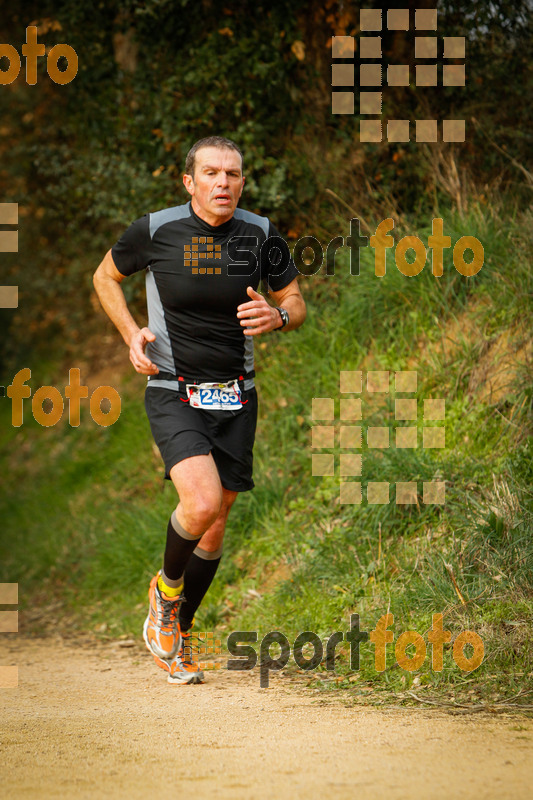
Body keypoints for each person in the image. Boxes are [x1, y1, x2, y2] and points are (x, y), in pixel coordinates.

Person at [93, 136, 306, 684]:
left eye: (233, 174)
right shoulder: (156, 230)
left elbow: (295, 301)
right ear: (189, 182)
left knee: (217, 522)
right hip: (173, 387)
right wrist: (130, 335)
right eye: (211, 173)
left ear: (242, 181)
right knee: (202, 501)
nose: (223, 183)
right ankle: (164, 594)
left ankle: (180, 633)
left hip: (238, 392)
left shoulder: (261, 234)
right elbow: (104, 277)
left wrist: (279, 318)